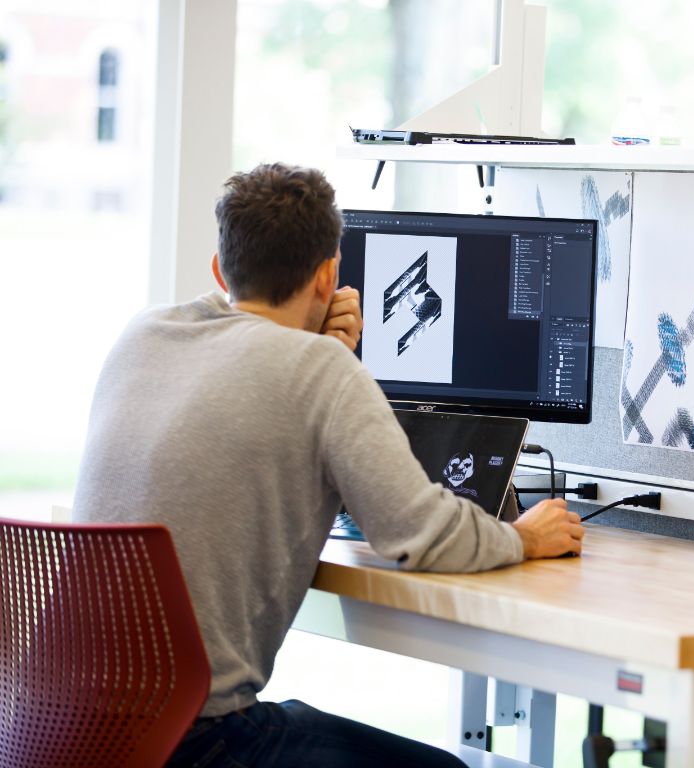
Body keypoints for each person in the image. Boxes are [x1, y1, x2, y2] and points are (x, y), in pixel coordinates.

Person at [72, 162, 584, 767]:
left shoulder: (144, 332)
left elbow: (256, 387)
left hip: (57, 724)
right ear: (328, 276)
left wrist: (318, 353)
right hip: (193, 742)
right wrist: (522, 538)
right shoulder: (318, 371)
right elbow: (417, 536)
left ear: (220, 268)